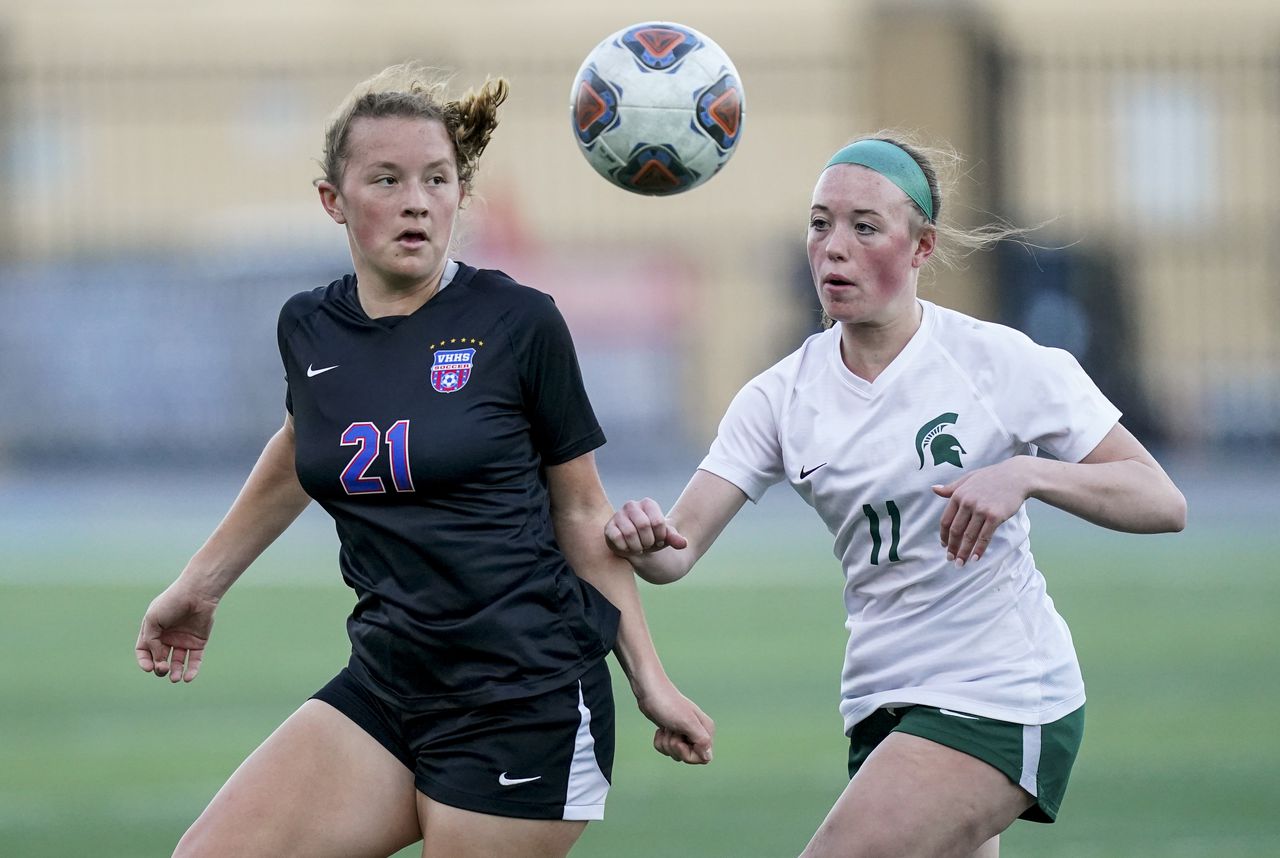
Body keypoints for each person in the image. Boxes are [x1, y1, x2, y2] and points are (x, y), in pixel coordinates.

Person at [134, 62, 713, 858]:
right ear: (332, 202)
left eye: (437, 179)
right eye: (386, 178)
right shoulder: (309, 327)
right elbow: (307, 438)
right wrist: (198, 587)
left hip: (523, 696)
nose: (416, 199)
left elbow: (581, 511)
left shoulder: (518, 323)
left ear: (458, 195)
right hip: (389, 682)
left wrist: (650, 679)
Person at [604, 133, 1187, 858]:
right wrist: (642, 532)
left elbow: (1161, 500)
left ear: (921, 248)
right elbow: (675, 553)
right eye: (820, 223)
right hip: (882, 706)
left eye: (865, 226)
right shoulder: (780, 397)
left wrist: (1028, 475)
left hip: (999, 692)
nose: (834, 247)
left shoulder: (997, 362)